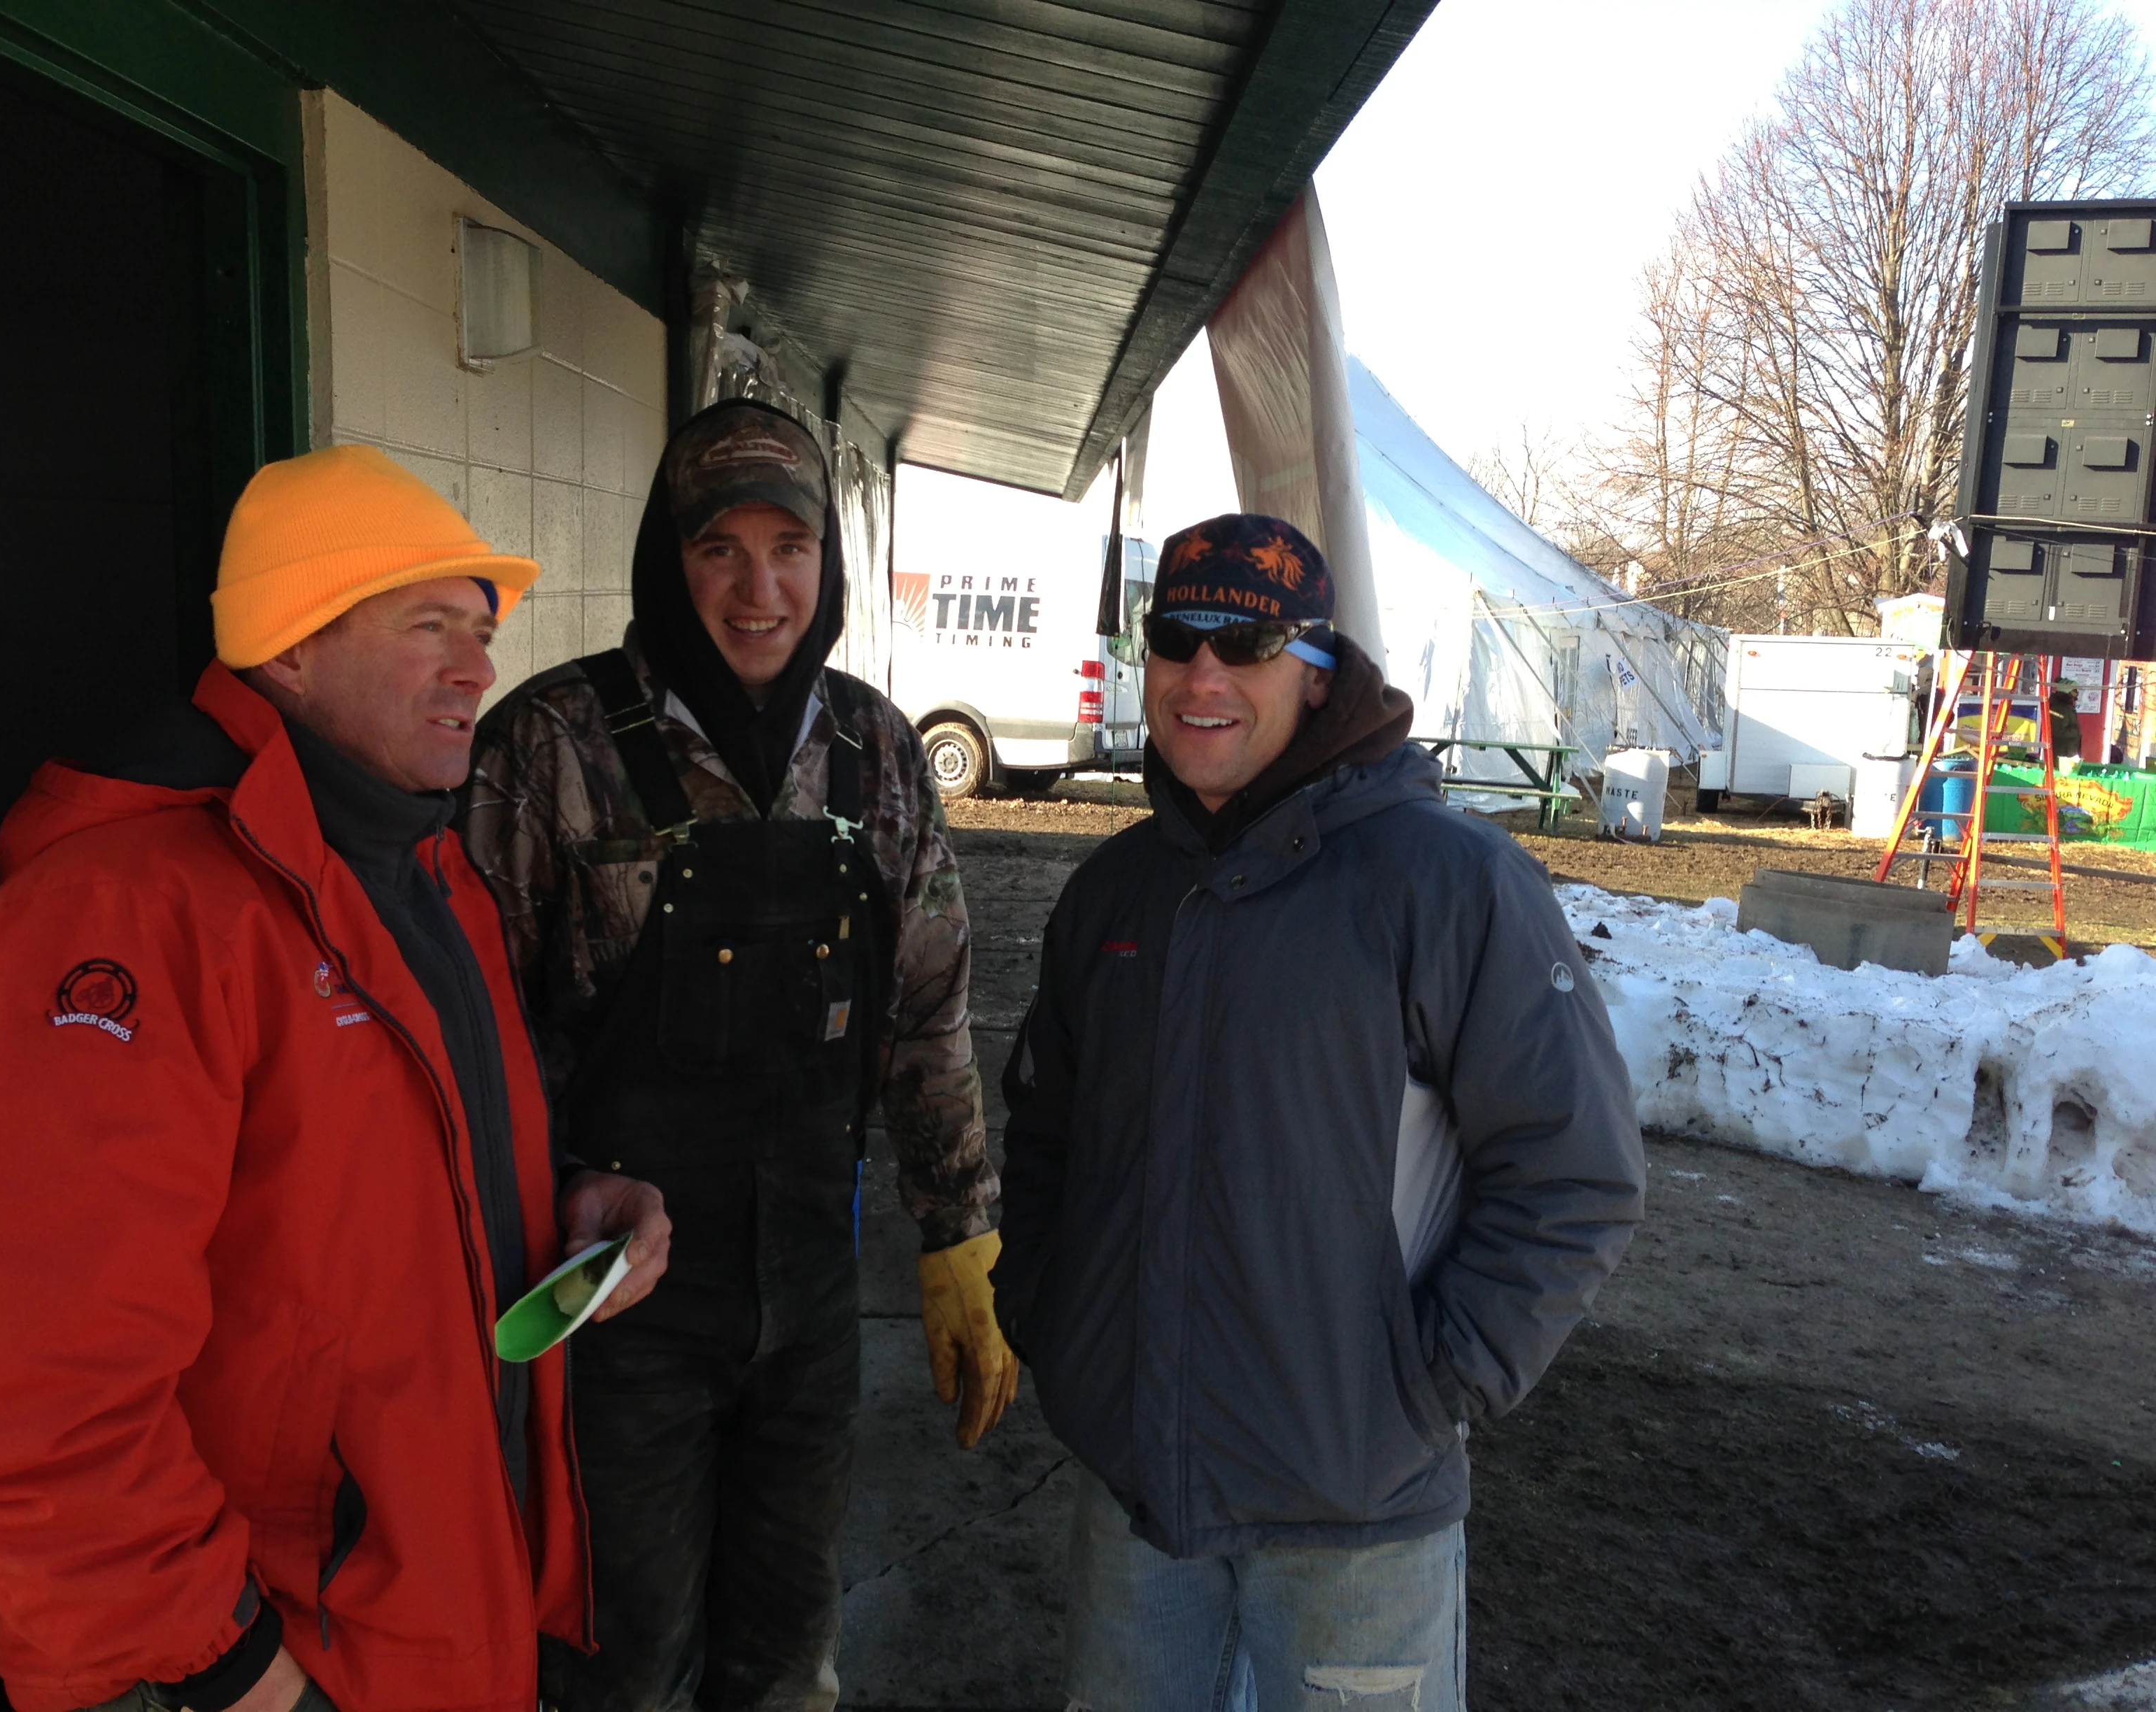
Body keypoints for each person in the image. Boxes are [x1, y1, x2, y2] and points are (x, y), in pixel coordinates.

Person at [0, 445, 670, 1712]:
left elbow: (372, 1186)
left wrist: (567, 1202)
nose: (479, 668)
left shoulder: (425, 872)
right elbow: (21, 1399)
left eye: (482, 629)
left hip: (428, 1627)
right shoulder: (124, 918)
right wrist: (234, 1673)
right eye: (431, 628)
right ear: (289, 648)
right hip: (260, 1666)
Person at [993, 513, 1647, 1712]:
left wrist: (1426, 1386)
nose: (1204, 676)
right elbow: (1044, 1140)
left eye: (1245, 643)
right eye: (1177, 638)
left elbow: (1575, 1171)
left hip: (1356, 1519)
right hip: (1140, 1500)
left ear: (1316, 665)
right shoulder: (1115, 893)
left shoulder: (1445, 883)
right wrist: (1052, 1321)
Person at [461, 398, 1013, 1711]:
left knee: (784, 1649)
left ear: (829, 566)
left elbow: (928, 1009)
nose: (759, 588)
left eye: (791, 547)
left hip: (812, 1288)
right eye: (720, 549)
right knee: (622, 1653)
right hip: (616, 1299)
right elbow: (480, 1036)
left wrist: (959, 1236)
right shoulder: (550, 746)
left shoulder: (878, 754)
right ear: (669, 555)